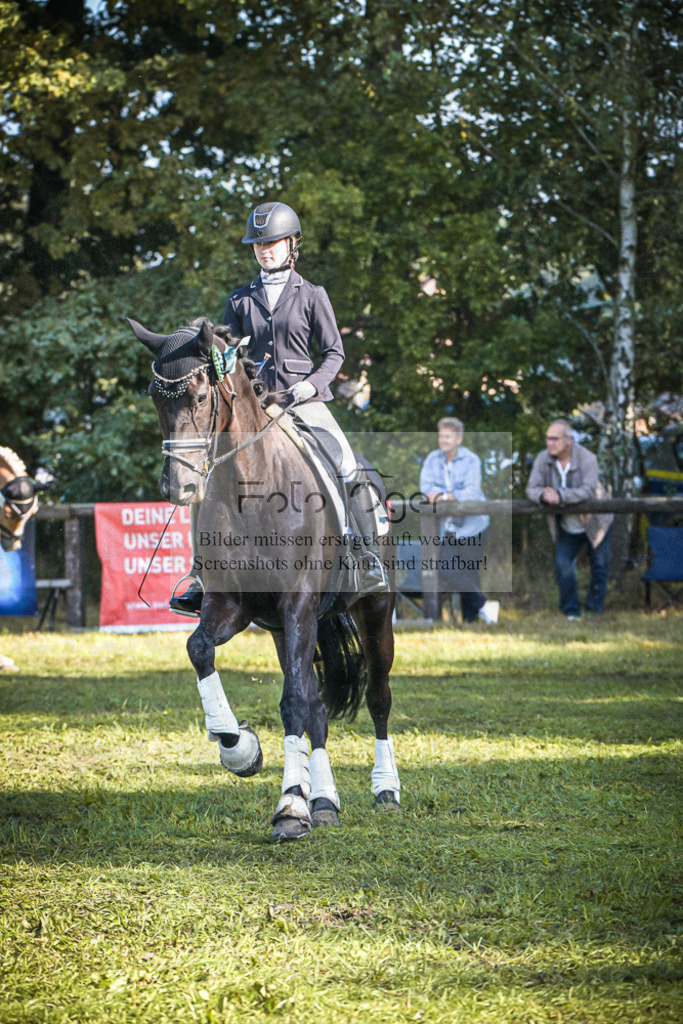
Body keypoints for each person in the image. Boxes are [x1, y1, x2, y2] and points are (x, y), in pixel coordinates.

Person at [171, 200, 388, 615]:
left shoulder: (312, 295)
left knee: (346, 465)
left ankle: (366, 558)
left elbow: (334, 354)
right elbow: (226, 357)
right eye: (259, 244)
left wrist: (308, 388)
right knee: (210, 477)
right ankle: (203, 574)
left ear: (292, 244)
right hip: (253, 410)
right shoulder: (240, 300)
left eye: (273, 242)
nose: (265, 249)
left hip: (302, 402)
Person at [526, 419, 613, 620]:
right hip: (567, 524)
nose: (550, 444)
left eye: (555, 439)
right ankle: (571, 611)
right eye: (548, 439)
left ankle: (594, 610)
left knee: (599, 566)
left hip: (596, 522)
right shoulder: (542, 458)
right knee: (563, 565)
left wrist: (560, 495)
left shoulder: (587, 458)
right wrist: (542, 495)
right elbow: (531, 488)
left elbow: (588, 490)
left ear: (568, 440)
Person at [419, 417, 500, 624]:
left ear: (458, 439)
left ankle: (470, 621)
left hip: (474, 526)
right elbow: (425, 491)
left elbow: (471, 492)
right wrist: (449, 495)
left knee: (469, 572)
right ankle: (484, 605)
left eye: (447, 436)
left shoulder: (471, 460)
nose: (443, 440)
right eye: (441, 436)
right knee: (446, 568)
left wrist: (444, 496)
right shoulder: (432, 459)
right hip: (448, 527)